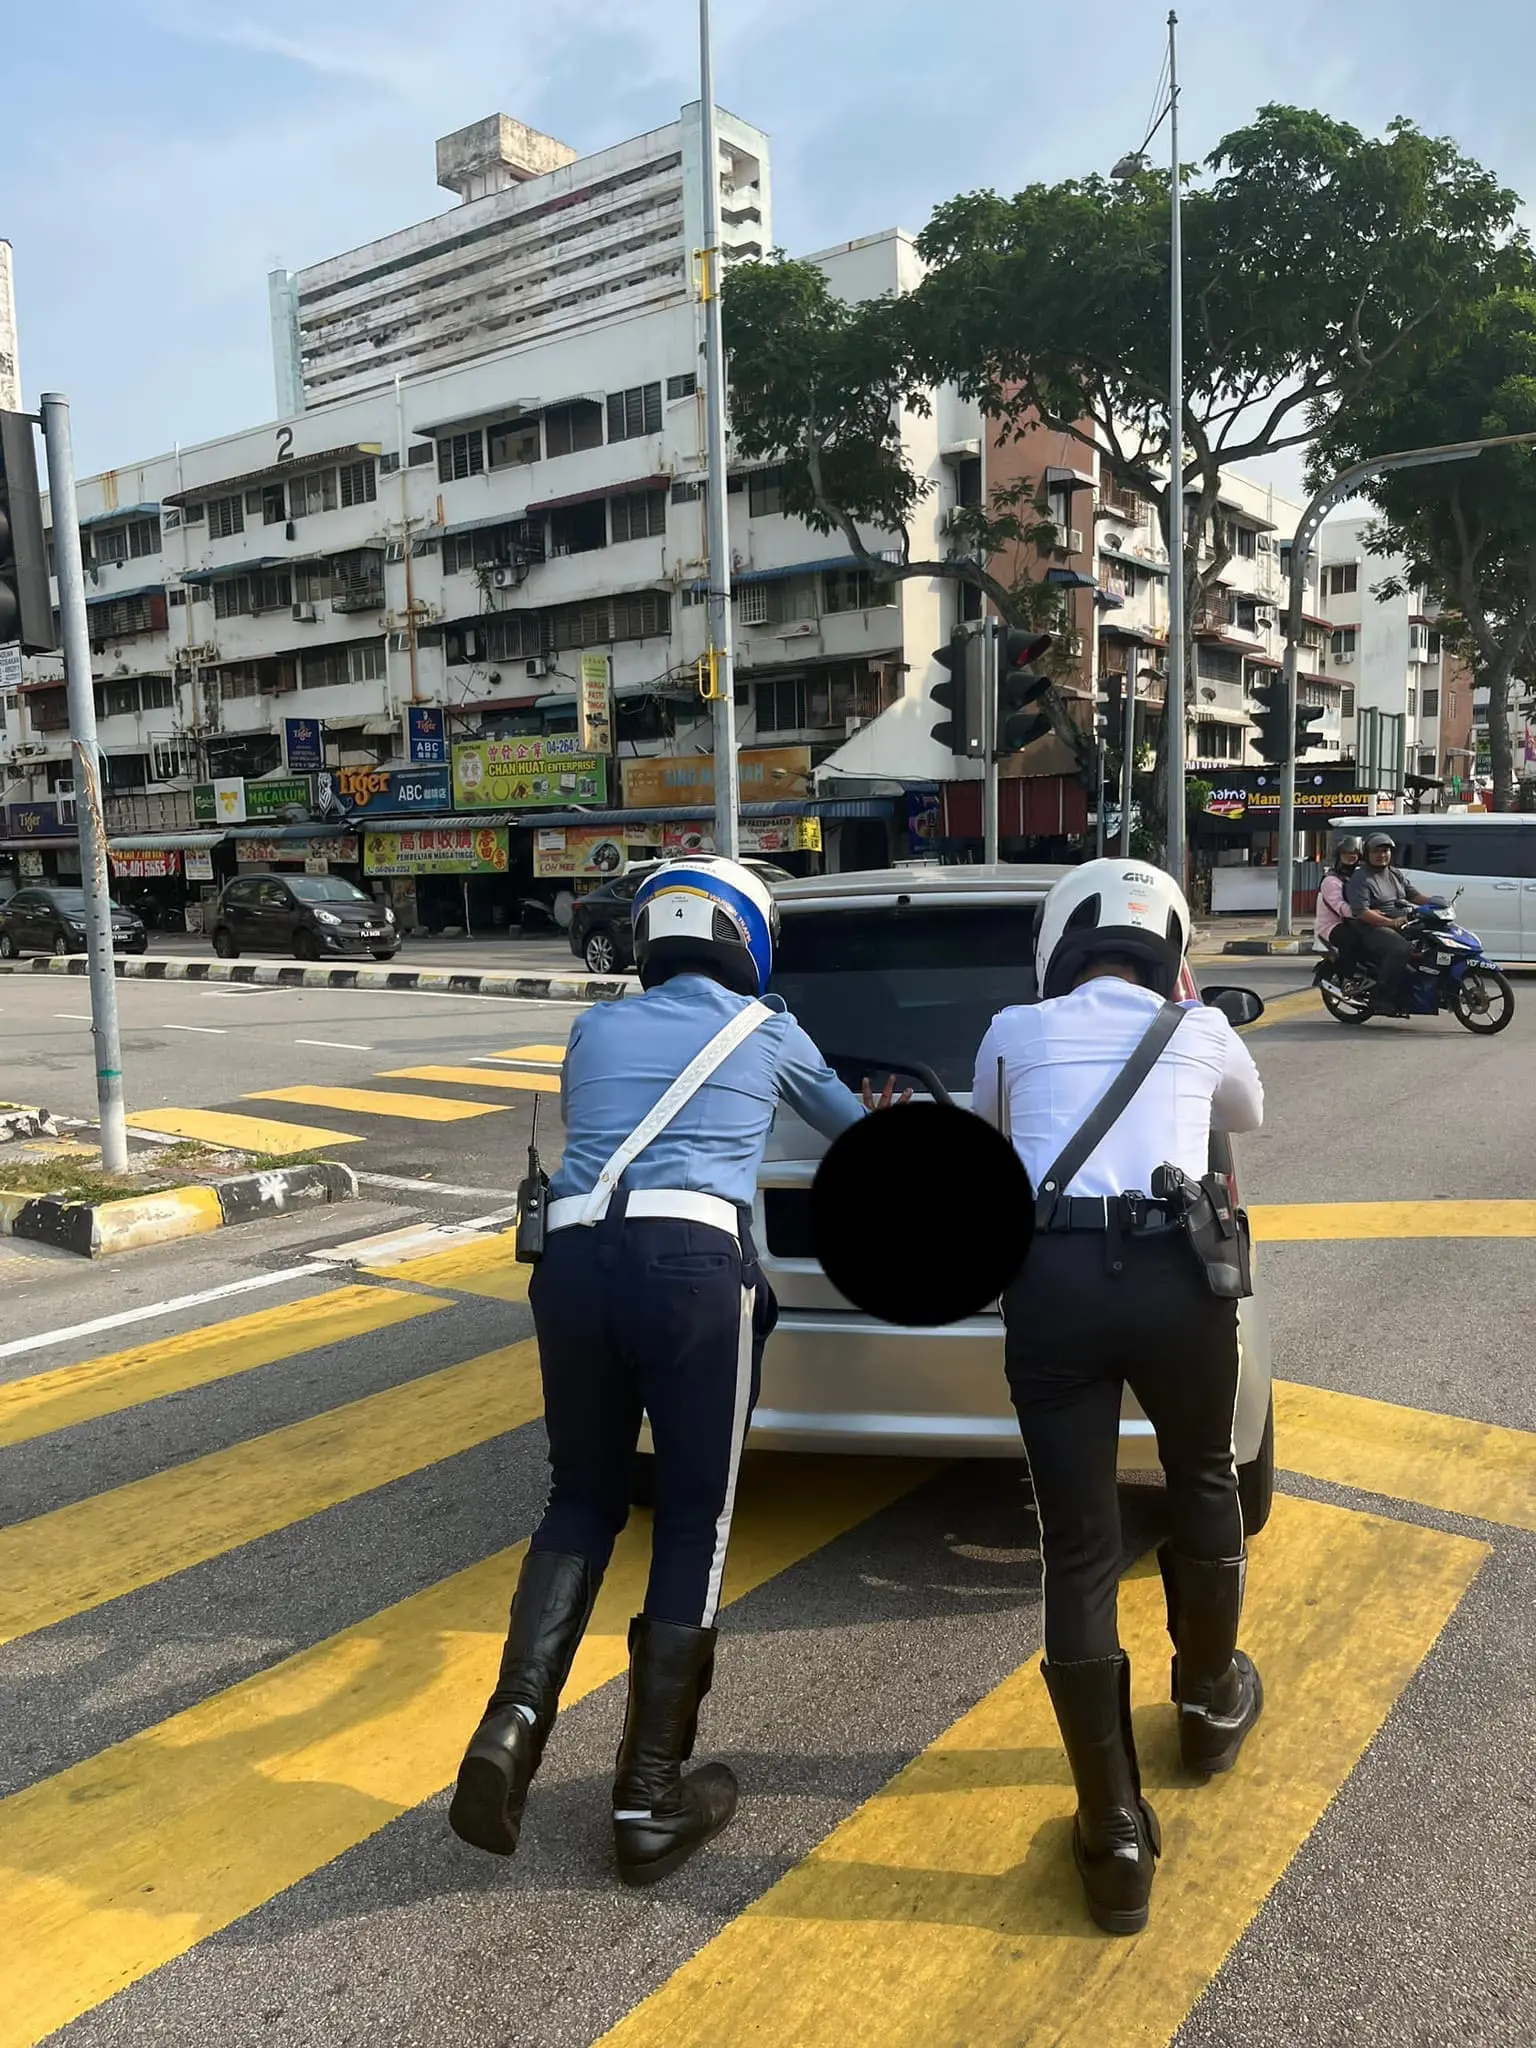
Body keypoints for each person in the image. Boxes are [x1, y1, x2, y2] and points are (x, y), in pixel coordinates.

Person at [450, 855, 900, 1887]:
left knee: (581, 1500)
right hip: (695, 1270)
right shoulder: (771, 1027)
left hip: (570, 1260)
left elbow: (601, 1128)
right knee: (695, 1517)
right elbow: (856, 1137)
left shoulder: (594, 1027)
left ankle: (511, 1725)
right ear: (748, 938)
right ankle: (649, 1789)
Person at [971, 859, 1265, 1937]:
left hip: (1049, 1280)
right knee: (1201, 1475)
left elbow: (990, 1128)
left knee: (1079, 1545)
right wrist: (1189, 1020)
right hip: (1175, 1274)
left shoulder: (1013, 1028)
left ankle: (1115, 1831)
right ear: (1171, 947)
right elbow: (1250, 1111)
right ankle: (1208, 1700)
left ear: (1060, 944)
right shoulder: (1200, 1031)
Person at [1345, 831, 1430, 1009]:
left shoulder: (1394, 873)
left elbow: (1414, 895)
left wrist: (1437, 903)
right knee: (1400, 948)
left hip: (1401, 922)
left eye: (1385, 851)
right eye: (1376, 851)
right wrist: (1390, 923)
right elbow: (1362, 912)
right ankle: (1382, 996)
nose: (1381, 855)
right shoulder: (1361, 877)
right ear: (1366, 854)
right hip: (1371, 928)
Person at [1315, 836, 1363, 972]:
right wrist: (1363, 914)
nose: (1351, 857)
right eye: (1347, 854)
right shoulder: (1331, 880)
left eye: (1354, 854)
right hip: (1332, 926)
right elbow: (1339, 906)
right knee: (1353, 939)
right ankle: (1349, 975)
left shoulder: (1361, 876)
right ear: (1339, 855)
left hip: (1355, 921)